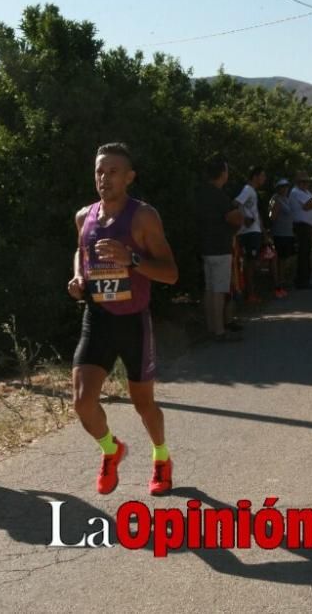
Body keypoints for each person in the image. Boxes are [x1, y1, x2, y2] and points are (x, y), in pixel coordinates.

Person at [69, 142, 179, 496]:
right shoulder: (83, 216)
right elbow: (80, 251)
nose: (105, 178)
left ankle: (161, 457)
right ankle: (111, 450)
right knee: (83, 401)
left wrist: (132, 259)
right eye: (100, 171)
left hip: (134, 321)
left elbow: (171, 273)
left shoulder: (143, 216)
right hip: (97, 317)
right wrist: (78, 278)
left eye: (113, 171)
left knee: (143, 403)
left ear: (129, 177)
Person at [196, 155, 245, 341]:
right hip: (220, 247)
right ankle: (219, 331)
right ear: (222, 173)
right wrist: (238, 219)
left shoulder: (200, 193)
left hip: (205, 246)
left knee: (209, 289)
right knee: (219, 289)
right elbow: (234, 217)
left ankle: (211, 327)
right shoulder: (219, 195)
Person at [234, 166, 266, 303]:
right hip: (248, 232)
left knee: (253, 263)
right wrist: (244, 218)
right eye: (262, 175)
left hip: (254, 231)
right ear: (255, 176)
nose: (264, 179)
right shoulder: (247, 190)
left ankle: (249, 293)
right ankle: (249, 294)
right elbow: (235, 203)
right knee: (250, 263)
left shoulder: (252, 191)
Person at [289, 173, 312, 289]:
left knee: (306, 253)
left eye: (307, 181)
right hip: (302, 226)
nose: (306, 184)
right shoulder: (296, 192)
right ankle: (302, 281)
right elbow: (308, 205)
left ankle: (304, 279)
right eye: (304, 181)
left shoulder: (305, 192)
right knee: (303, 253)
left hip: (307, 227)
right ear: (298, 182)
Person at [268, 178, 295, 298]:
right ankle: (277, 284)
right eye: (282, 186)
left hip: (287, 233)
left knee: (284, 259)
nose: (285, 188)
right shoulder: (276, 199)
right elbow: (272, 217)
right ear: (278, 188)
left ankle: (282, 281)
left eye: (286, 186)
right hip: (279, 234)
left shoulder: (287, 199)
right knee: (278, 259)